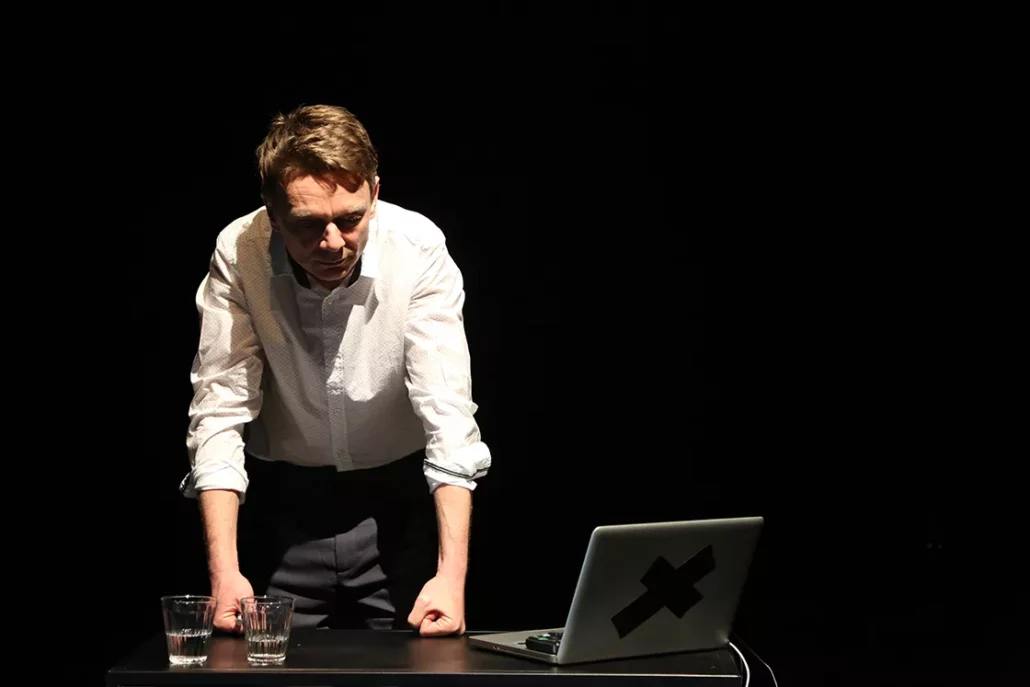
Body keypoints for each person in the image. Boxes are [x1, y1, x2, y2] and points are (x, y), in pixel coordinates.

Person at [179, 104, 490, 636]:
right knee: (263, 667)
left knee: (420, 665)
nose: (332, 243)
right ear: (273, 214)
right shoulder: (240, 250)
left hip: (400, 508)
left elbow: (448, 412)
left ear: (374, 192)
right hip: (283, 509)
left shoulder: (416, 247)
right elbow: (220, 407)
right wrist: (224, 572)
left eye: (350, 219)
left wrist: (451, 576)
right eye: (307, 225)